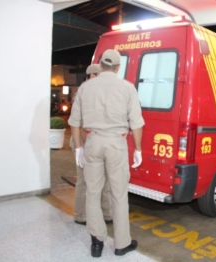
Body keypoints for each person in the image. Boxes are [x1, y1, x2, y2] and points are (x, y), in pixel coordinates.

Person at [68, 49, 144, 258]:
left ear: (100, 65)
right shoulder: (127, 88)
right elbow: (136, 123)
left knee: (92, 193)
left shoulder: (85, 88)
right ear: (118, 67)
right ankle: (121, 244)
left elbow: (74, 122)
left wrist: (79, 147)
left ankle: (96, 242)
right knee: (118, 195)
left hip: (92, 142)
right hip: (116, 144)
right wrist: (138, 149)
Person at [70, 64, 113, 226]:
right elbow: (78, 125)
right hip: (83, 142)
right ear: (92, 76)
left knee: (105, 179)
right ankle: (81, 215)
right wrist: (82, 147)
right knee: (84, 180)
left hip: (97, 142)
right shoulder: (83, 93)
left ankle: (107, 213)